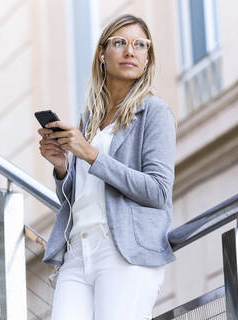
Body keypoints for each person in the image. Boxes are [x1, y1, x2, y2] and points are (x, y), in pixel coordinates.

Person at [38, 14, 177, 320]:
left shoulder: (154, 112)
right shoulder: (91, 117)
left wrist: (89, 154)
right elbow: (80, 197)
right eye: (120, 43)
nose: (131, 51)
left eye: (140, 45)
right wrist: (62, 168)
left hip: (124, 252)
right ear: (102, 53)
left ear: (147, 57)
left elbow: (157, 191)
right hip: (78, 249)